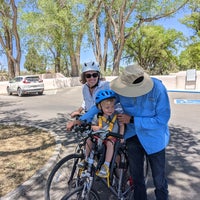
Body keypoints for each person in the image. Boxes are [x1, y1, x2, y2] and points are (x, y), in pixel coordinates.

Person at [79, 64, 171, 200]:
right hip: (133, 137)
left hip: (154, 139)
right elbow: (101, 103)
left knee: (159, 181)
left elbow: (162, 119)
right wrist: (81, 119)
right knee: (137, 179)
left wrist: (133, 119)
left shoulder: (157, 88)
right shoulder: (121, 89)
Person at [79, 89, 124, 178]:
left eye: (112, 106)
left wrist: (121, 136)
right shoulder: (98, 116)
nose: (110, 109)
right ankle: (86, 158)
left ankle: (106, 166)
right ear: (100, 107)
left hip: (112, 138)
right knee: (89, 139)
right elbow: (93, 125)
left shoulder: (116, 115)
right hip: (99, 137)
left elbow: (122, 125)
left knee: (110, 144)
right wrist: (94, 127)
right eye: (107, 108)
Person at [66, 61, 110, 130]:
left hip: (104, 122)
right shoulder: (85, 88)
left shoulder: (106, 86)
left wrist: (79, 120)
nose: (91, 78)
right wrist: (79, 110)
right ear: (84, 77)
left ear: (98, 75)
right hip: (90, 120)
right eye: (88, 75)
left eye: (94, 75)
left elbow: (98, 107)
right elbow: (85, 100)